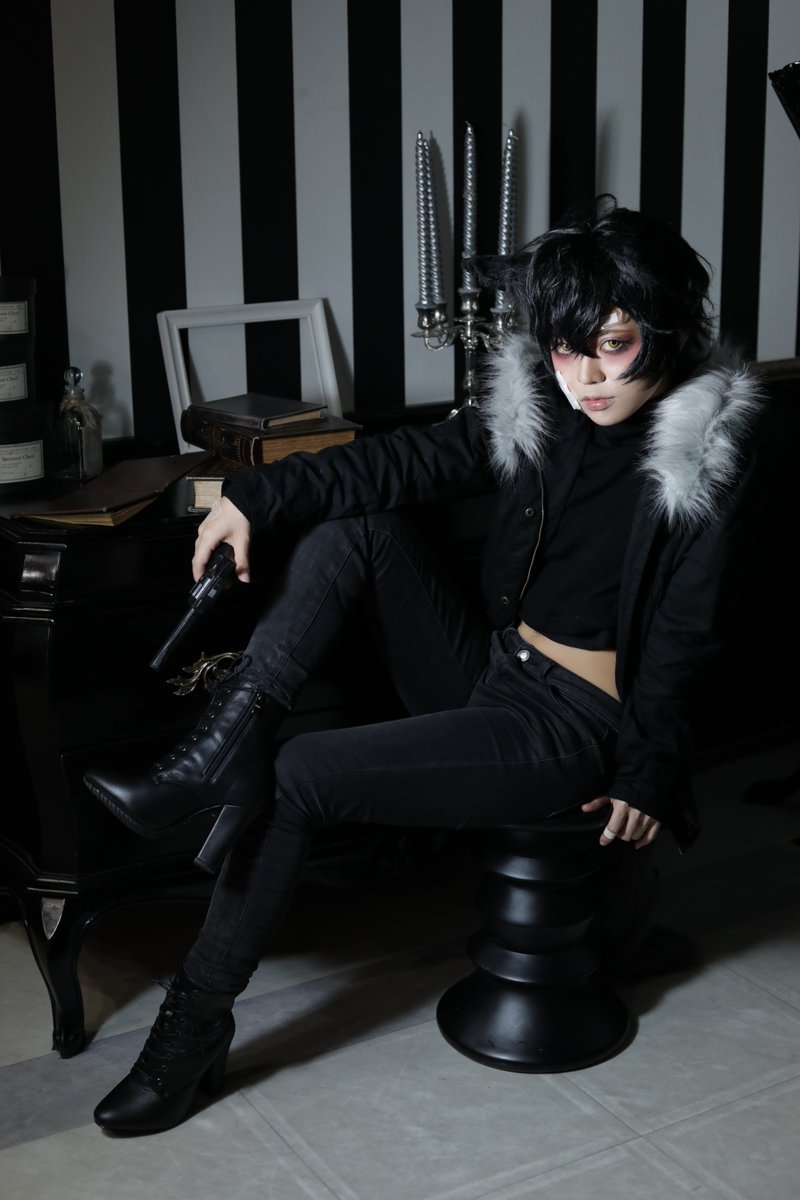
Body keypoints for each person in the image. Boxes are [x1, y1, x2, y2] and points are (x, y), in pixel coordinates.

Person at [83, 197, 764, 1135]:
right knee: (356, 528)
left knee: (295, 776)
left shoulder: (704, 450)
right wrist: (251, 495)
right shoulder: (548, 409)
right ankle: (212, 751)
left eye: (611, 346)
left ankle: (192, 1025)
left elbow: (688, 629)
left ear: (670, 329)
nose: (584, 378)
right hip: (495, 670)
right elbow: (402, 461)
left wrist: (646, 770)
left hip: (573, 727)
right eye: (563, 349)